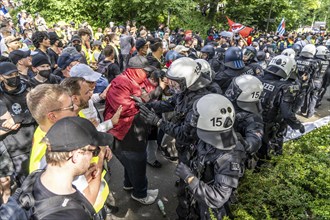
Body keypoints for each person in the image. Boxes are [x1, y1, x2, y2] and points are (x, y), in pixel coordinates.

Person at [175, 93, 246, 219]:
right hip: (196, 194)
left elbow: (218, 198)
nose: (194, 118)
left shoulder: (229, 157)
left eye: (197, 116)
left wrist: (190, 178)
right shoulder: (209, 136)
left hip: (208, 207)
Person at [32, 116, 114, 219]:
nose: (94, 158)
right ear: (76, 155)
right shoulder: (75, 214)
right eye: (94, 152)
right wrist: (100, 159)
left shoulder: (35, 177)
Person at [104, 55, 159, 205]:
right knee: (137, 160)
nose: (147, 74)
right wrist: (141, 102)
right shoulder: (120, 82)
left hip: (133, 130)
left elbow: (146, 96)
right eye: (145, 71)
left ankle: (129, 185)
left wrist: (142, 99)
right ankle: (140, 194)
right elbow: (123, 108)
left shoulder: (134, 81)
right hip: (125, 131)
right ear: (134, 70)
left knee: (131, 161)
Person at [0, 62, 36, 203]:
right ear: (1, 77)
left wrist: (19, 118)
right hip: (15, 148)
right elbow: (4, 124)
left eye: (15, 74)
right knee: (26, 186)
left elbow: (39, 112)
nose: (14, 78)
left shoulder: (28, 87)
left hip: (34, 141)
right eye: (10, 75)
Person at [258, 55, 305, 163]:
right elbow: (287, 114)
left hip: (253, 121)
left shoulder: (258, 79)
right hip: (270, 126)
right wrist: (298, 125)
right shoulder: (285, 87)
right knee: (267, 156)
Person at [225, 75, 264, 169]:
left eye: (235, 90)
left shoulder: (253, 117)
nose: (232, 91)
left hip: (234, 158)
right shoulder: (229, 101)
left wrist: (244, 143)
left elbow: (255, 139)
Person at [295, 44, 319, 118]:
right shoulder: (314, 62)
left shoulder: (296, 59)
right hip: (305, 83)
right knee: (304, 98)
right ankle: (302, 110)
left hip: (295, 81)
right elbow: (314, 75)